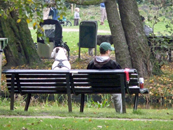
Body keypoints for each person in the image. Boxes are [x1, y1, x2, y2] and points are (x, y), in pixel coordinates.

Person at [87, 42, 123, 113]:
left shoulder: (91, 63)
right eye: (110, 50)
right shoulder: (113, 64)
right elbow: (121, 76)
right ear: (107, 51)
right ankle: (119, 112)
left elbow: (88, 75)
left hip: (95, 87)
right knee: (118, 94)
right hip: (111, 88)